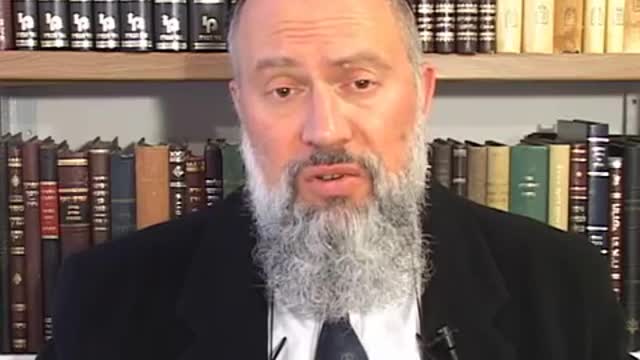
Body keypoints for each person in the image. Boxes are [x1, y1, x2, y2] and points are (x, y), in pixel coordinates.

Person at [37, 0, 630, 359]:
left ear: (422, 95)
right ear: (242, 106)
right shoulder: (109, 297)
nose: (325, 130)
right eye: (284, 91)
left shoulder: (559, 287)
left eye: (360, 83)